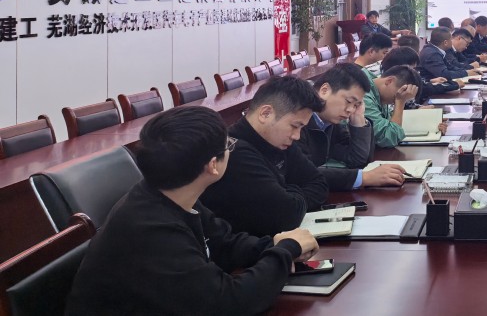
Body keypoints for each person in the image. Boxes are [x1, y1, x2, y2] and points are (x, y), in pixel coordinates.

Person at [67, 107, 320, 315]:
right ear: (212, 166)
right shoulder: (151, 230)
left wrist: (273, 245)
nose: (231, 149)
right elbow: (230, 303)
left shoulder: (174, 193)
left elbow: (224, 243)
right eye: (228, 145)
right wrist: (284, 252)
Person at [201, 76, 328, 236]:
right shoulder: (235, 152)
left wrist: (287, 192)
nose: (297, 136)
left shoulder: (279, 140)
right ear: (265, 113)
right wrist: (290, 192)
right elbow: (287, 215)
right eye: (295, 126)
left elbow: (319, 183)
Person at [298, 63, 406, 189]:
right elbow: (303, 174)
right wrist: (364, 178)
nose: (350, 110)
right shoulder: (297, 121)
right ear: (324, 90)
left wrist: (359, 120)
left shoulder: (330, 122)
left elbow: (357, 159)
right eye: (349, 101)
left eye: (356, 105)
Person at [362, 64, 431, 148]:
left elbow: (389, 123)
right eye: (398, 94)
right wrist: (400, 101)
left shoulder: (378, 90)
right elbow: (388, 139)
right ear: (389, 81)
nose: (394, 102)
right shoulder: (364, 95)